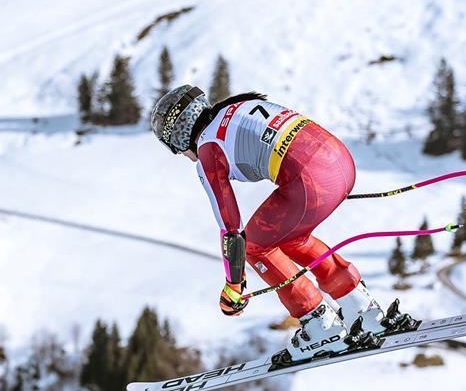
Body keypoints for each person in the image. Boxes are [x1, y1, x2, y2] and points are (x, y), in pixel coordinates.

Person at [150, 85, 414, 366]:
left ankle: (321, 326)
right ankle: (361, 308)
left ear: (178, 136)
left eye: (175, 148)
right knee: (291, 238)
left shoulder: (208, 150)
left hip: (310, 180)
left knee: (254, 246)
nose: (181, 155)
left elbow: (232, 230)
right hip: (342, 162)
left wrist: (234, 285)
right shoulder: (233, 108)